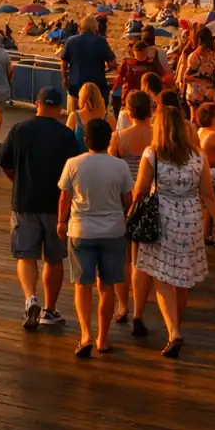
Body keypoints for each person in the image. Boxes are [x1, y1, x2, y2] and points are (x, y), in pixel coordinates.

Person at [132, 104, 215, 358]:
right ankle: (176, 325)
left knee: (161, 278)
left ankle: (173, 331)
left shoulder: (153, 154)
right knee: (183, 281)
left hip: (162, 217)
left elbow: (140, 190)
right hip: (191, 219)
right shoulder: (198, 156)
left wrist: (131, 213)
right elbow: (208, 194)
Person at [0, 86, 83, 329]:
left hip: (24, 201)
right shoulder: (66, 135)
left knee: (26, 255)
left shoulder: (19, 130)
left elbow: (4, 163)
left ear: (37, 105)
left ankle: (30, 298)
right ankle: (50, 309)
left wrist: (18, 181)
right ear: (58, 109)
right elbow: (73, 173)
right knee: (53, 259)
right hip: (55, 206)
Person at [58, 117, 135, 357]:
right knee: (107, 287)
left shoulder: (73, 164)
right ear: (108, 139)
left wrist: (61, 222)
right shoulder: (119, 166)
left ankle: (85, 334)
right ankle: (103, 337)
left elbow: (64, 198)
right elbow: (128, 200)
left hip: (82, 230)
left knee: (83, 285)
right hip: (113, 231)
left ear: (85, 139)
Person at [60, 17, 116, 110]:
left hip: (75, 86)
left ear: (80, 27)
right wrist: (105, 70)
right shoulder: (100, 41)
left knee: (74, 119)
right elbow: (112, 64)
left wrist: (65, 78)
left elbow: (63, 63)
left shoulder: (71, 41)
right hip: (96, 87)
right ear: (96, 27)